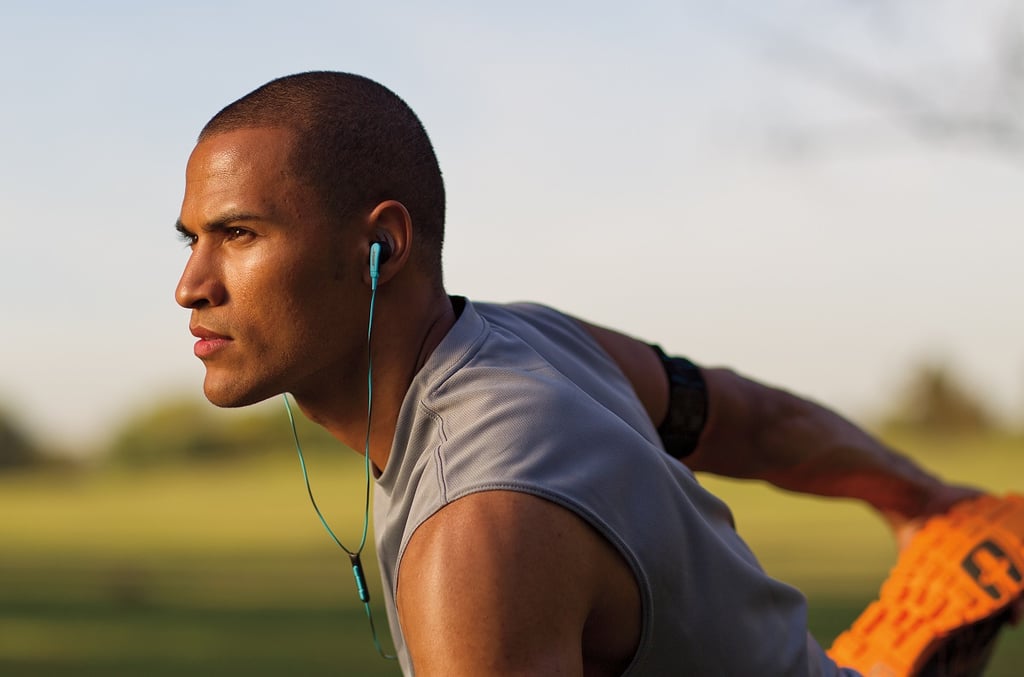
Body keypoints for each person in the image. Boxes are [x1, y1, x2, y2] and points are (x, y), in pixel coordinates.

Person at [174, 71, 978, 676]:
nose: (192, 285)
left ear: (381, 244)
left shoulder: (476, 533)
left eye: (238, 233)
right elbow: (747, 418)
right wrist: (929, 505)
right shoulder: (528, 339)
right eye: (191, 241)